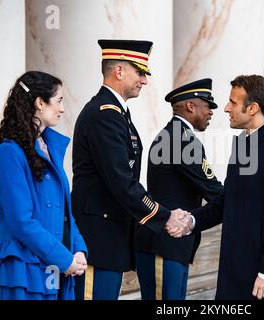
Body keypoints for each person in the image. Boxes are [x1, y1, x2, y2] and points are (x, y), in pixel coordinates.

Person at [71, 39, 189, 300]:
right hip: (96, 240)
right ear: (119, 71)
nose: (145, 81)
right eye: (140, 72)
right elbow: (121, 181)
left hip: (109, 238)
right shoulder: (104, 114)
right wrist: (165, 215)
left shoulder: (117, 114)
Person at [170, 75, 264, 300]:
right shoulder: (242, 143)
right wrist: (192, 221)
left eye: (233, 102)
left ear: (252, 108)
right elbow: (228, 199)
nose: (225, 108)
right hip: (235, 273)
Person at [0, 71, 88, 300]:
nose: (63, 109)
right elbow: (21, 221)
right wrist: (64, 259)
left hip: (55, 268)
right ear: (40, 103)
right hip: (22, 272)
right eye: (59, 100)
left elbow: (64, 211)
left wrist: (78, 249)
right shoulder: (9, 153)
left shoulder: (50, 148)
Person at [134, 78, 224, 300]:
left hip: (169, 245)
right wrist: (248, 199)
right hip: (164, 244)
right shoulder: (181, 141)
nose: (211, 112)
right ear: (190, 107)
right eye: (207, 106)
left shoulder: (174, 136)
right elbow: (213, 190)